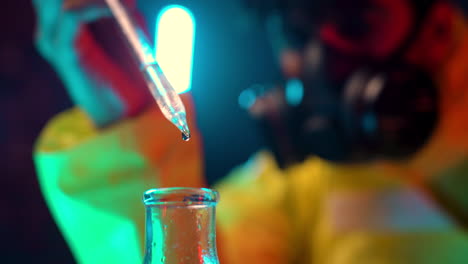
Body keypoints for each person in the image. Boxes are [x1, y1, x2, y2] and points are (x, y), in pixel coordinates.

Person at [33, 0, 468, 263]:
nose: (317, 59)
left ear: (438, 28)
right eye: (297, 32)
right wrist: (125, 120)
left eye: (356, 25)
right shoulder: (298, 183)